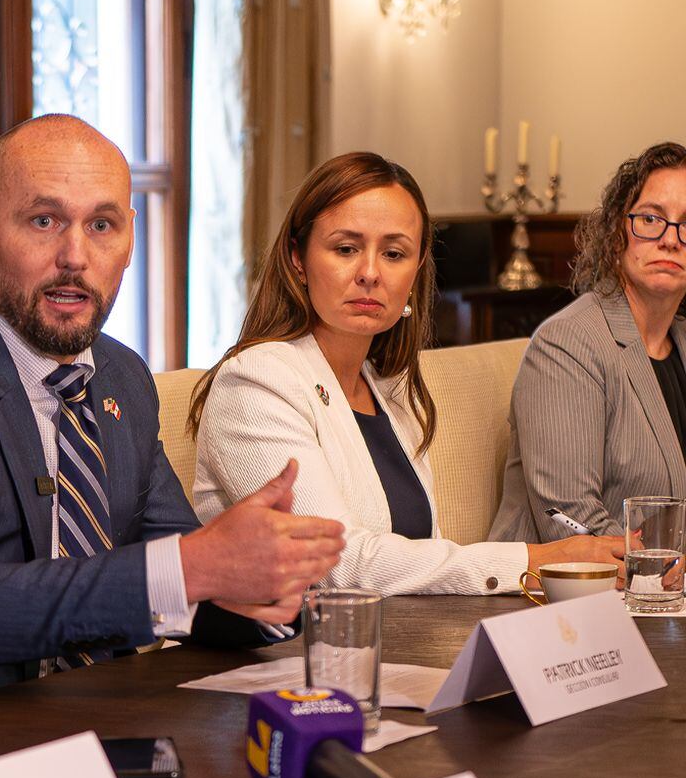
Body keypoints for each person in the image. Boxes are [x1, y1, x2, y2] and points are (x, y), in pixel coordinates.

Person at [0, 115, 347, 727]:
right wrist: (194, 566)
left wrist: (264, 591)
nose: (75, 257)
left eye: (102, 225)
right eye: (43, 221)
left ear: (129, 240)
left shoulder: (121, 376)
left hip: (86, 721)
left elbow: (172, 571)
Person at [189, 152, 620, 596]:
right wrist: (535, 558)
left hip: (397, 642)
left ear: (415, 271)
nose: (370, 274)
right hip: (286, 656)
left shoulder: (391, 388)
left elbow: (417, 558)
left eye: (394, 253)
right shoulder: (256, 383)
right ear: (298, 259)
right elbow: (333, 565)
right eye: (345, 249)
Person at [492, 143, 686, 541]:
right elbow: (569, 520)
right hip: (562, 595)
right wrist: (666, 570)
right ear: (617, 235)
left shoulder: (681, 339)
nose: (671, 239)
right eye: (651, 218)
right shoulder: (568, 344)